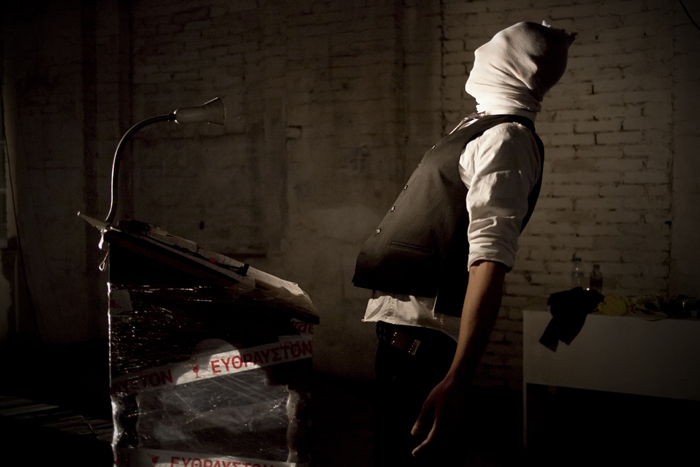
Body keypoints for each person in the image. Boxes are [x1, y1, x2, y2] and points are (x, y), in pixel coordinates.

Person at [352, 21, 576, 465]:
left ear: (510, 67)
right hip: (404, 338)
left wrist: (458, 378)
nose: (477, 53)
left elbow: (490, 258)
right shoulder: (483, 127)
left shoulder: (506, 139)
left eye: (492, 47)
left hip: (422, 348)